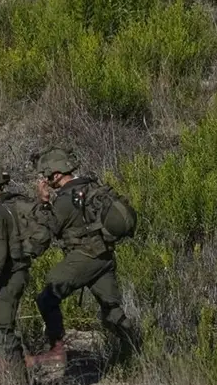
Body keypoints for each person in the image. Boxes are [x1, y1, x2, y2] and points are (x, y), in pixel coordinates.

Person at [25, 148, 142, 368]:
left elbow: (48, 229)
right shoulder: (91, 186)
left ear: (56, 175)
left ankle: (56, 352)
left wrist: (42, 202)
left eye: (47, 175)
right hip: (104, 256)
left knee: (47, 297)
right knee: (111, 311)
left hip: (85, 256)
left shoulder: (66, 199)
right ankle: (135, 352)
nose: (45, 180)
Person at [0, 164, 48, 374]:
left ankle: (17, 384)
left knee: (3, 330)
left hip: (6, 276)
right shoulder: (13, 205)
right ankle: (12, 375)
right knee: (1, 327)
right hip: (15, 272)